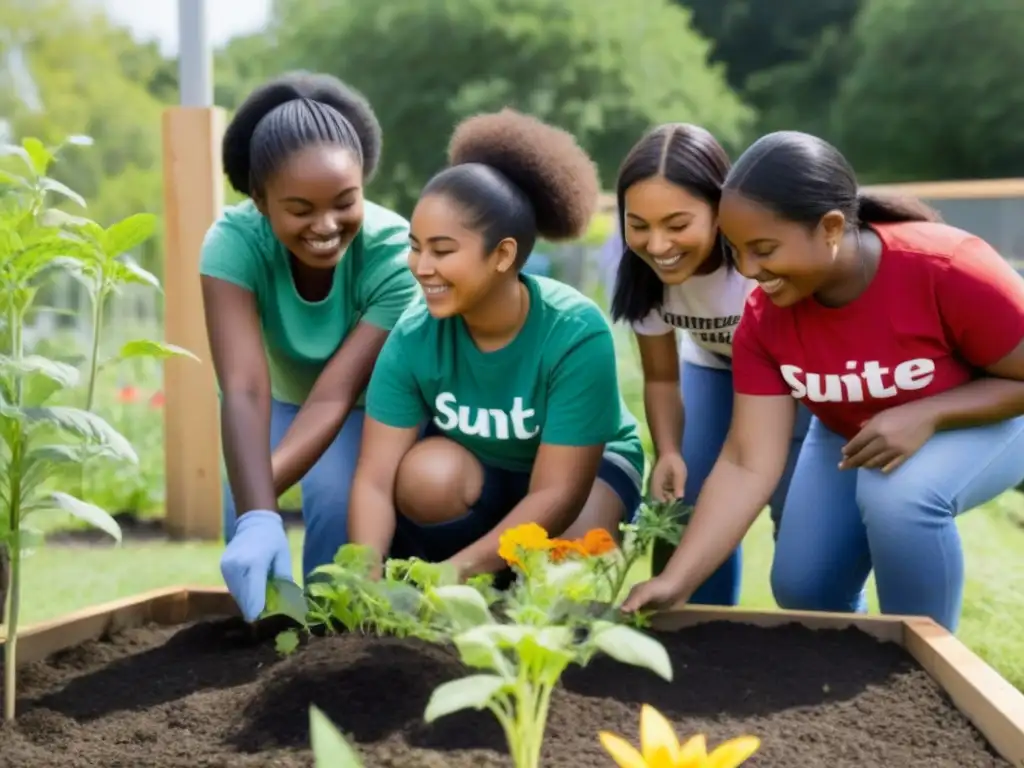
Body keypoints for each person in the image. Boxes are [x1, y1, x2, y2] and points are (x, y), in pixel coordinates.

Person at [622, 130, 1024, 631]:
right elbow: (748, 460)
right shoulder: (764, 318)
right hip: (850, 432)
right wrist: (677, 579)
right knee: (803, 587)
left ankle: (923, 671)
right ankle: (853, 668)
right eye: (737, 250)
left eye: (764, 249)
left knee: (898, 498)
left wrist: (929, 412)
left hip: (992, 419)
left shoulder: (946, 266)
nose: (748, 269)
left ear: (831, 227)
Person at [347, 109, 645, 578]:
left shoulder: (573, 332)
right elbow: (375, 479)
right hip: (480, 471)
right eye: (415, 246)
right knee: (428, 475)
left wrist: (454, 574)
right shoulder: (413, 335)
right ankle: (480, 577)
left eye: (442, 251)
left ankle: (491, 578)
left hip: (580, 476)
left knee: (568, 557)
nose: (421, 266)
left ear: (503, 254)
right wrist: (364, 576)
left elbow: (556, 494)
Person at [199, 72, 418, 621]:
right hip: (272, 398)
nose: (326, 225)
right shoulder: (233, 243)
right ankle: (267, 636)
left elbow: (336, 395)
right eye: (300, 209)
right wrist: (253, 512)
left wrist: (259, 496)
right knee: (244, 507)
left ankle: (333, 626)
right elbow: (244, 387)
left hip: (364, 407)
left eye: (345, 202)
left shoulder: (395, 256)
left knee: (335, 498)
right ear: (261, 200)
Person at [608, 124, 810, 607]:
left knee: (794, 512)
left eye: (678, 225)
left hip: (796, 380)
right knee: (685, 503)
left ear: (721, 211)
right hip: (713, 369)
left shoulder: (757, 265)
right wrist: (670, 449)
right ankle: (694, 632)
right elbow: (659, 376)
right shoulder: (646, 276)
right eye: (639, 225)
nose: (657, 244)